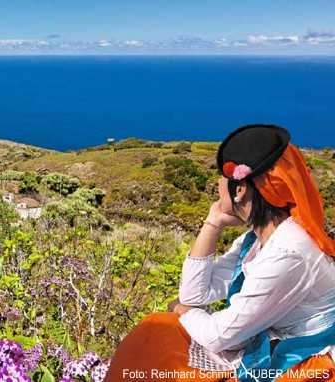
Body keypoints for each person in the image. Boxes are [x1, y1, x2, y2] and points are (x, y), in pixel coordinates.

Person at [104, 124, 335, 382]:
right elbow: (194, 294)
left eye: (221, 181)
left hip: (304, 359)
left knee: (159, 350)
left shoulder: (287, 253)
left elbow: (217, 335)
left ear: (239, 189)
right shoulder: (258, 239)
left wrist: (182, 310)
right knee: (155, 332)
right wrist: (213, 221)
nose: (216, 186)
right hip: (268, 342)